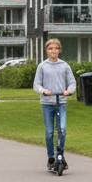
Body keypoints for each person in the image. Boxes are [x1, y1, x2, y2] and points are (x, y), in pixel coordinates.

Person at [32, 38, 77, 169]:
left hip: (61, 101)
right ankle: (51, 157)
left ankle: (60, 155)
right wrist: (43, 90)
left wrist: (69, 91)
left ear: (59, 50)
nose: (53, 51)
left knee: (62, 129)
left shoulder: (64, 66)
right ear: (47, 50)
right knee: (50, 132)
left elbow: (72, 82)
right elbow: (36, 84)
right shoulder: (42, 66)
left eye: (56, 48)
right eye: (50, 48)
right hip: (47, 102)